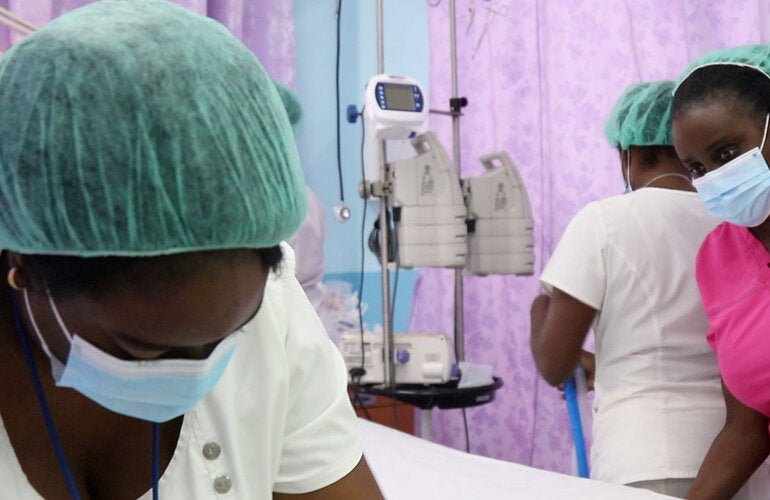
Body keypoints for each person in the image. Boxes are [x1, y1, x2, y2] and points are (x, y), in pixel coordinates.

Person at [0, 0, 383, 498]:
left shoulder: (274, 305)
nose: (197, 372)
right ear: (25, 263)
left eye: (231, 335)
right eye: (144, 347)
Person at [529, 80, 725, 498]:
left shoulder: (603, 222)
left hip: (648, 458)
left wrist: (539, 308)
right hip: (737, 456)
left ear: (629, 153)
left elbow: (554, 364)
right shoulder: (733, 218)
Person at [671, 43, 770, 499]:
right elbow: (747, 426)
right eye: (696, 167)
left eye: (727, 153)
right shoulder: (719, 258)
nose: (713, 176)